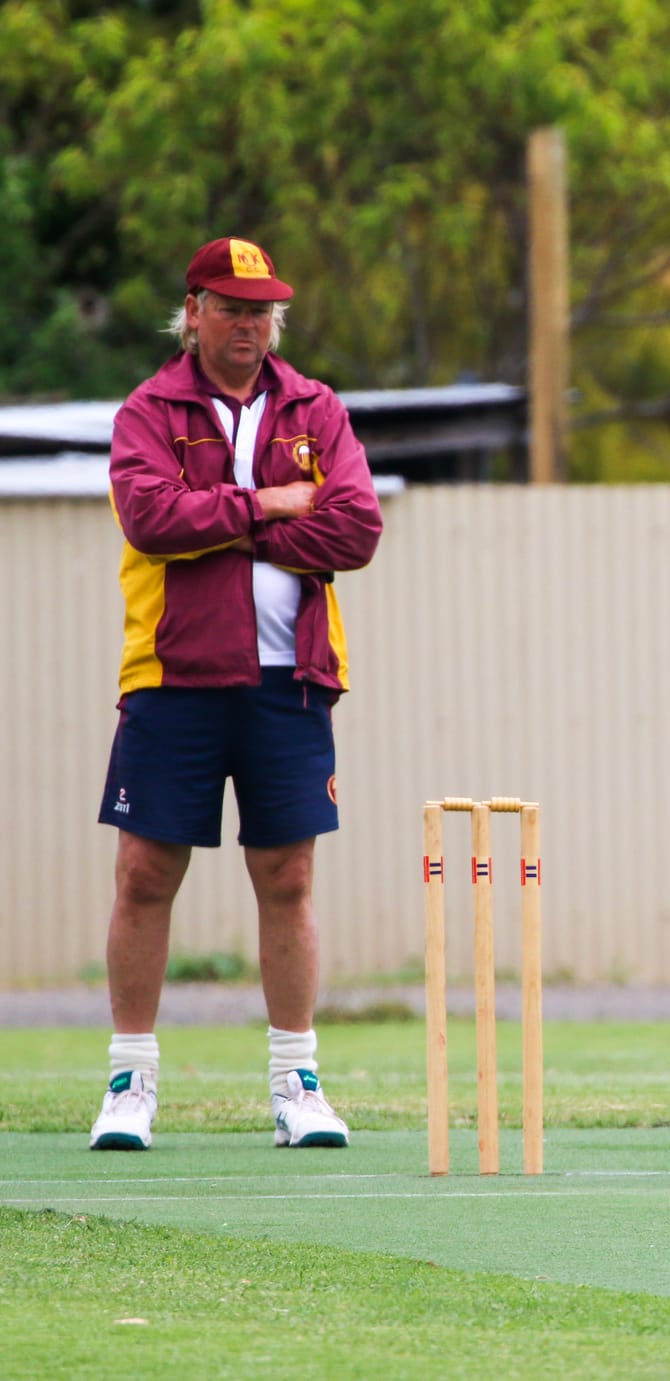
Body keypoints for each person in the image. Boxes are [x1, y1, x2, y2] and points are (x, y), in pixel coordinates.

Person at [88, 237, 383, 1152]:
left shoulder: (314, 407)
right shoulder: (150, 409)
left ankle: (298, 1082)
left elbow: (357, 526)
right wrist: (267, 505)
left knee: (287, 875)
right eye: (231, 307)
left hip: (289, 676)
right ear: (194, 311)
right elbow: (150, 517)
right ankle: (129, 1082)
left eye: (262, 311)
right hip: (173, 675)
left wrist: (232, 522)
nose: (249, 325)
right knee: (145, 873)